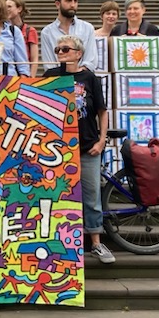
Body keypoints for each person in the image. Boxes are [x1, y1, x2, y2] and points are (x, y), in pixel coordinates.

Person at [42, 34, 115, 264]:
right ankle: (59, 242)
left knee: (91, 197)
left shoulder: (89, 78)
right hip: (56, 150)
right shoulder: (50, 76)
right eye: (58, 49)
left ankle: (95, 242)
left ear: (78, 53)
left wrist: (102, 140)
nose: (61, 53)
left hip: (86, 147)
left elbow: (102, 111)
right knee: (56, 196)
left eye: (66, 49)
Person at [40, 0, 97, 72]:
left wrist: (79, 74)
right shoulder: (47, 32)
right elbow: (49, 64)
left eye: (75, 1)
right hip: (58, 80)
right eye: (68, 1)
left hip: (83, 77)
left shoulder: (87, 28)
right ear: (57, 4)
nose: (73, 5)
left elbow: (91, 60)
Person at [6, 0, 39, 77]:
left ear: (19, 9)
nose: (6, 9)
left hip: (23, 72)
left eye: (9, 7)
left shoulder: (29, 31)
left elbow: (34, 58)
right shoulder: (3, 30)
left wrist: (31, 78)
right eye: (4, 7)